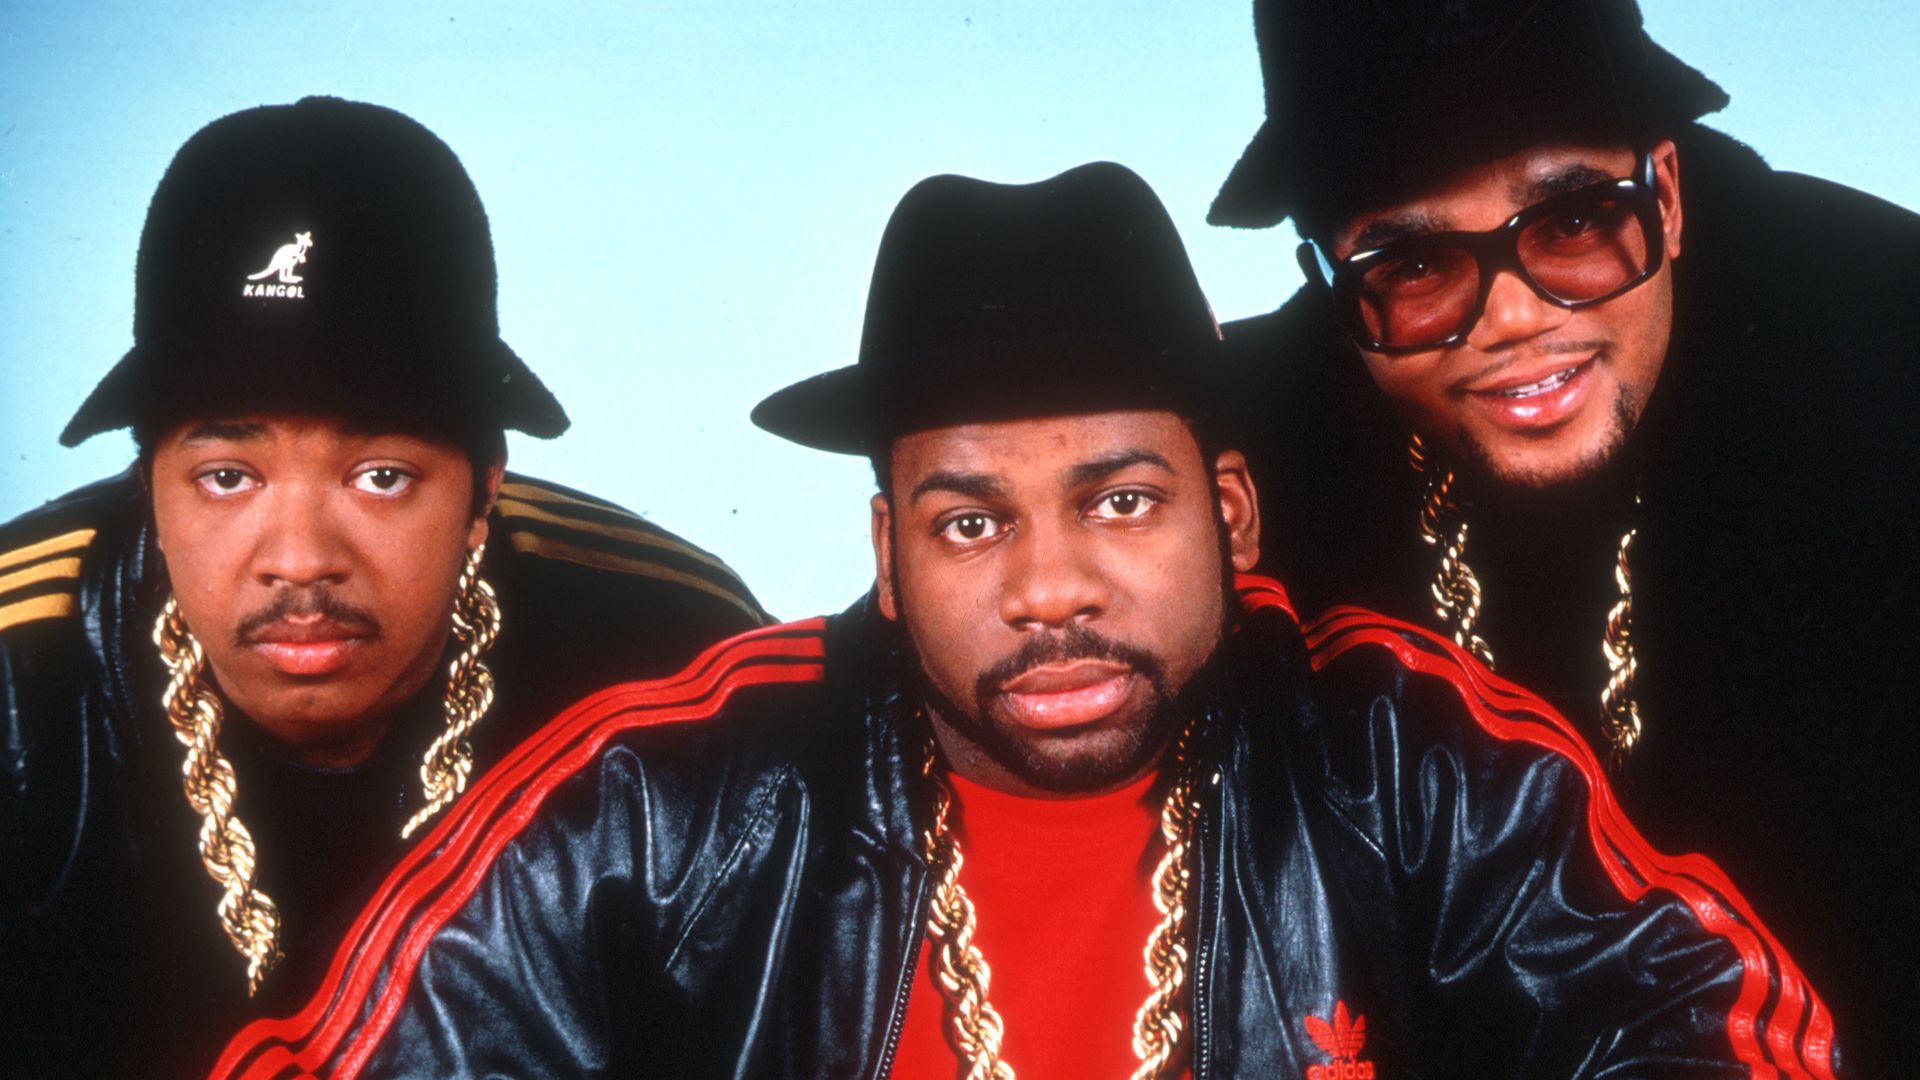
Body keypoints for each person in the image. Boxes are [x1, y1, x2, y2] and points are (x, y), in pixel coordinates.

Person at [214, 161, 1838, 1079]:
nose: (1048, 587)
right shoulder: (662, 797)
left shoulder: (1405, 752)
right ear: (885, 546)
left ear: (1235, 514)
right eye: (970, 520)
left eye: (1120, 500)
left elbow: (1725, 1030)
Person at [1207, 2, 1919, 1069]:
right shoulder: (1247, 444)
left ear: (1668, 196)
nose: (1511, 318)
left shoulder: (1884, 341)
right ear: (1329, 283)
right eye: (1413, 266)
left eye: (1574, 223)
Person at [0, 96, 767, 1077]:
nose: (302, 558)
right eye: (228, 478)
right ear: (148, 482)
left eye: (382, 477)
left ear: (484, 491)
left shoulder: (670, 650)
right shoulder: (22, 676)